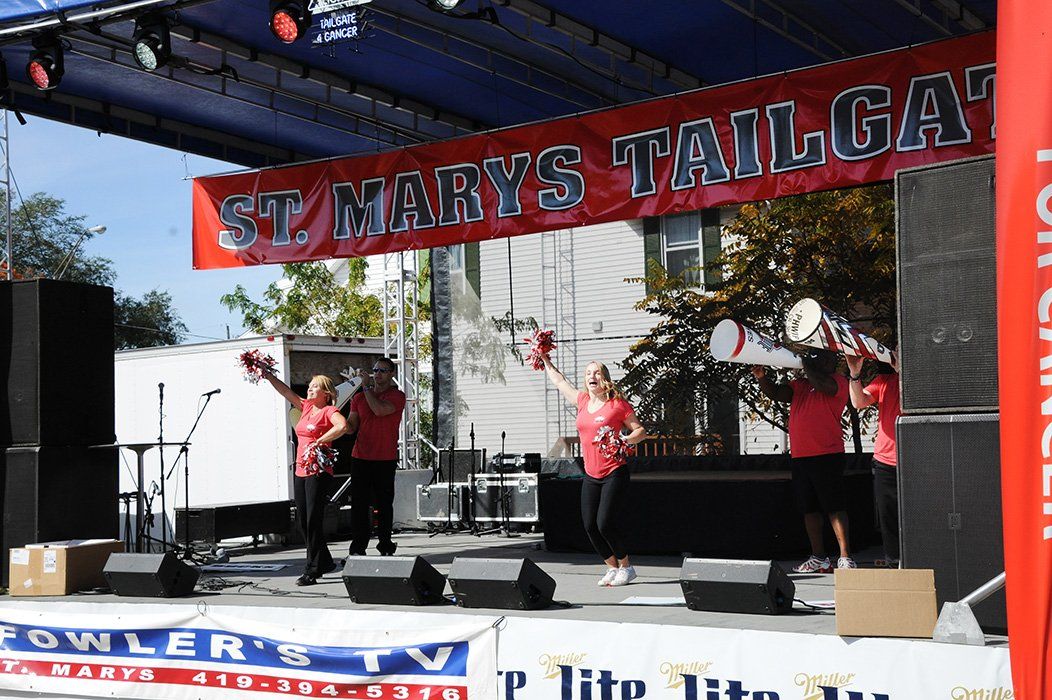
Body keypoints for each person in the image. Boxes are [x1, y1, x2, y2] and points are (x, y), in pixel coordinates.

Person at [541, 356, 647, 587]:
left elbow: (640, 431)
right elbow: (560, 382)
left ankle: (627, 568)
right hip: (591, 474)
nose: (592, 376)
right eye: (588, 373)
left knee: (604, 523)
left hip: (614, 471)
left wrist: (625, 440)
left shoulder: (617, 405)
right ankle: (612, 567)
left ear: (604, 378)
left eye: (597, 372)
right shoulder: (582, 400)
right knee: (590, 526)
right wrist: (545, 359)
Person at [752, 349, 854, 573]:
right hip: (801, 456)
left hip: (828, 454)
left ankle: (845, 557)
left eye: (820, 360)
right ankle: (818, 557)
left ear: (830, 362)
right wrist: (762, 378)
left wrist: (806, 365)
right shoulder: (800, 385)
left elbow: (823, 385)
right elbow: (777, 393)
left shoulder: (838, 381)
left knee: (834, 507)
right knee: (809, 509)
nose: (815, 363)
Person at [262, 372, 348, 586]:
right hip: (301, 469)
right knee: (302, 521)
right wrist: (268, 375)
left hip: (318, 471)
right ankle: (325, 561)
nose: (310, 389)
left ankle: (312, 569)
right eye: (309, 385)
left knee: (313, 520)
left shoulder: (329, 411)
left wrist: (320, 440)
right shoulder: (307, 407)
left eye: (315, 386)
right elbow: (285, 391)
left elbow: (342, 426)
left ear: (326, 393)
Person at [846, 350, 901, 567]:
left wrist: (904, 373)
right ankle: (894, 562)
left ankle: (918, 562)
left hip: (916, 459)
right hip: (886, 460)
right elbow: (858, 402)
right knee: (888, 516)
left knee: (917, 514)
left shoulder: (923, 381)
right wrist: (854, 374)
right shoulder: (884, 380)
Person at [346, 356, 406, 557]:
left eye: (382, 370)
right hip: (360, 456)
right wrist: (334, 417)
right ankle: (357, 549)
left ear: (391, 374)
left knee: (384, 504)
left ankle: (385, 545)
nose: (377, 374)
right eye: (375, 370)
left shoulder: (397, 395)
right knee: (359, 505)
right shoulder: (358, 398)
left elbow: (380, 410)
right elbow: (351, 426)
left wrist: (365, 388)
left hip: (384, 457)